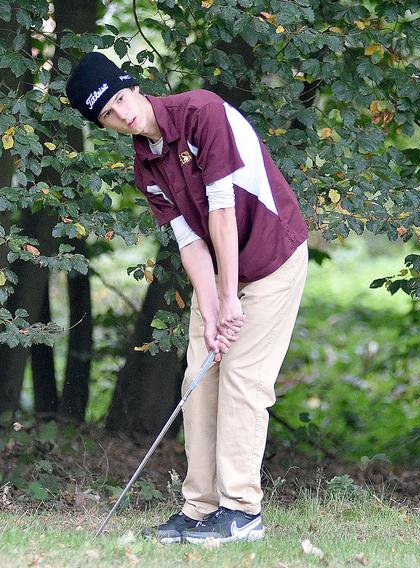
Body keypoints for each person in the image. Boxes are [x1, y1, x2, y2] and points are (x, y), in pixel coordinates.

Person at [65, 51, 308, 544]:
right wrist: (214, 300)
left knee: (243, 381)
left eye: (119, 99)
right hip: (220, 271)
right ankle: (200, 510)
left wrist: (232, 298)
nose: (122, 114)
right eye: (107, 114)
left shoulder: (202, 112)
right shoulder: (146, 165)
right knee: (199, 383)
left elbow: (221, 213)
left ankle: (242, 512)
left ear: (132, 87)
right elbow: (190, 242)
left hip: (271, 259)